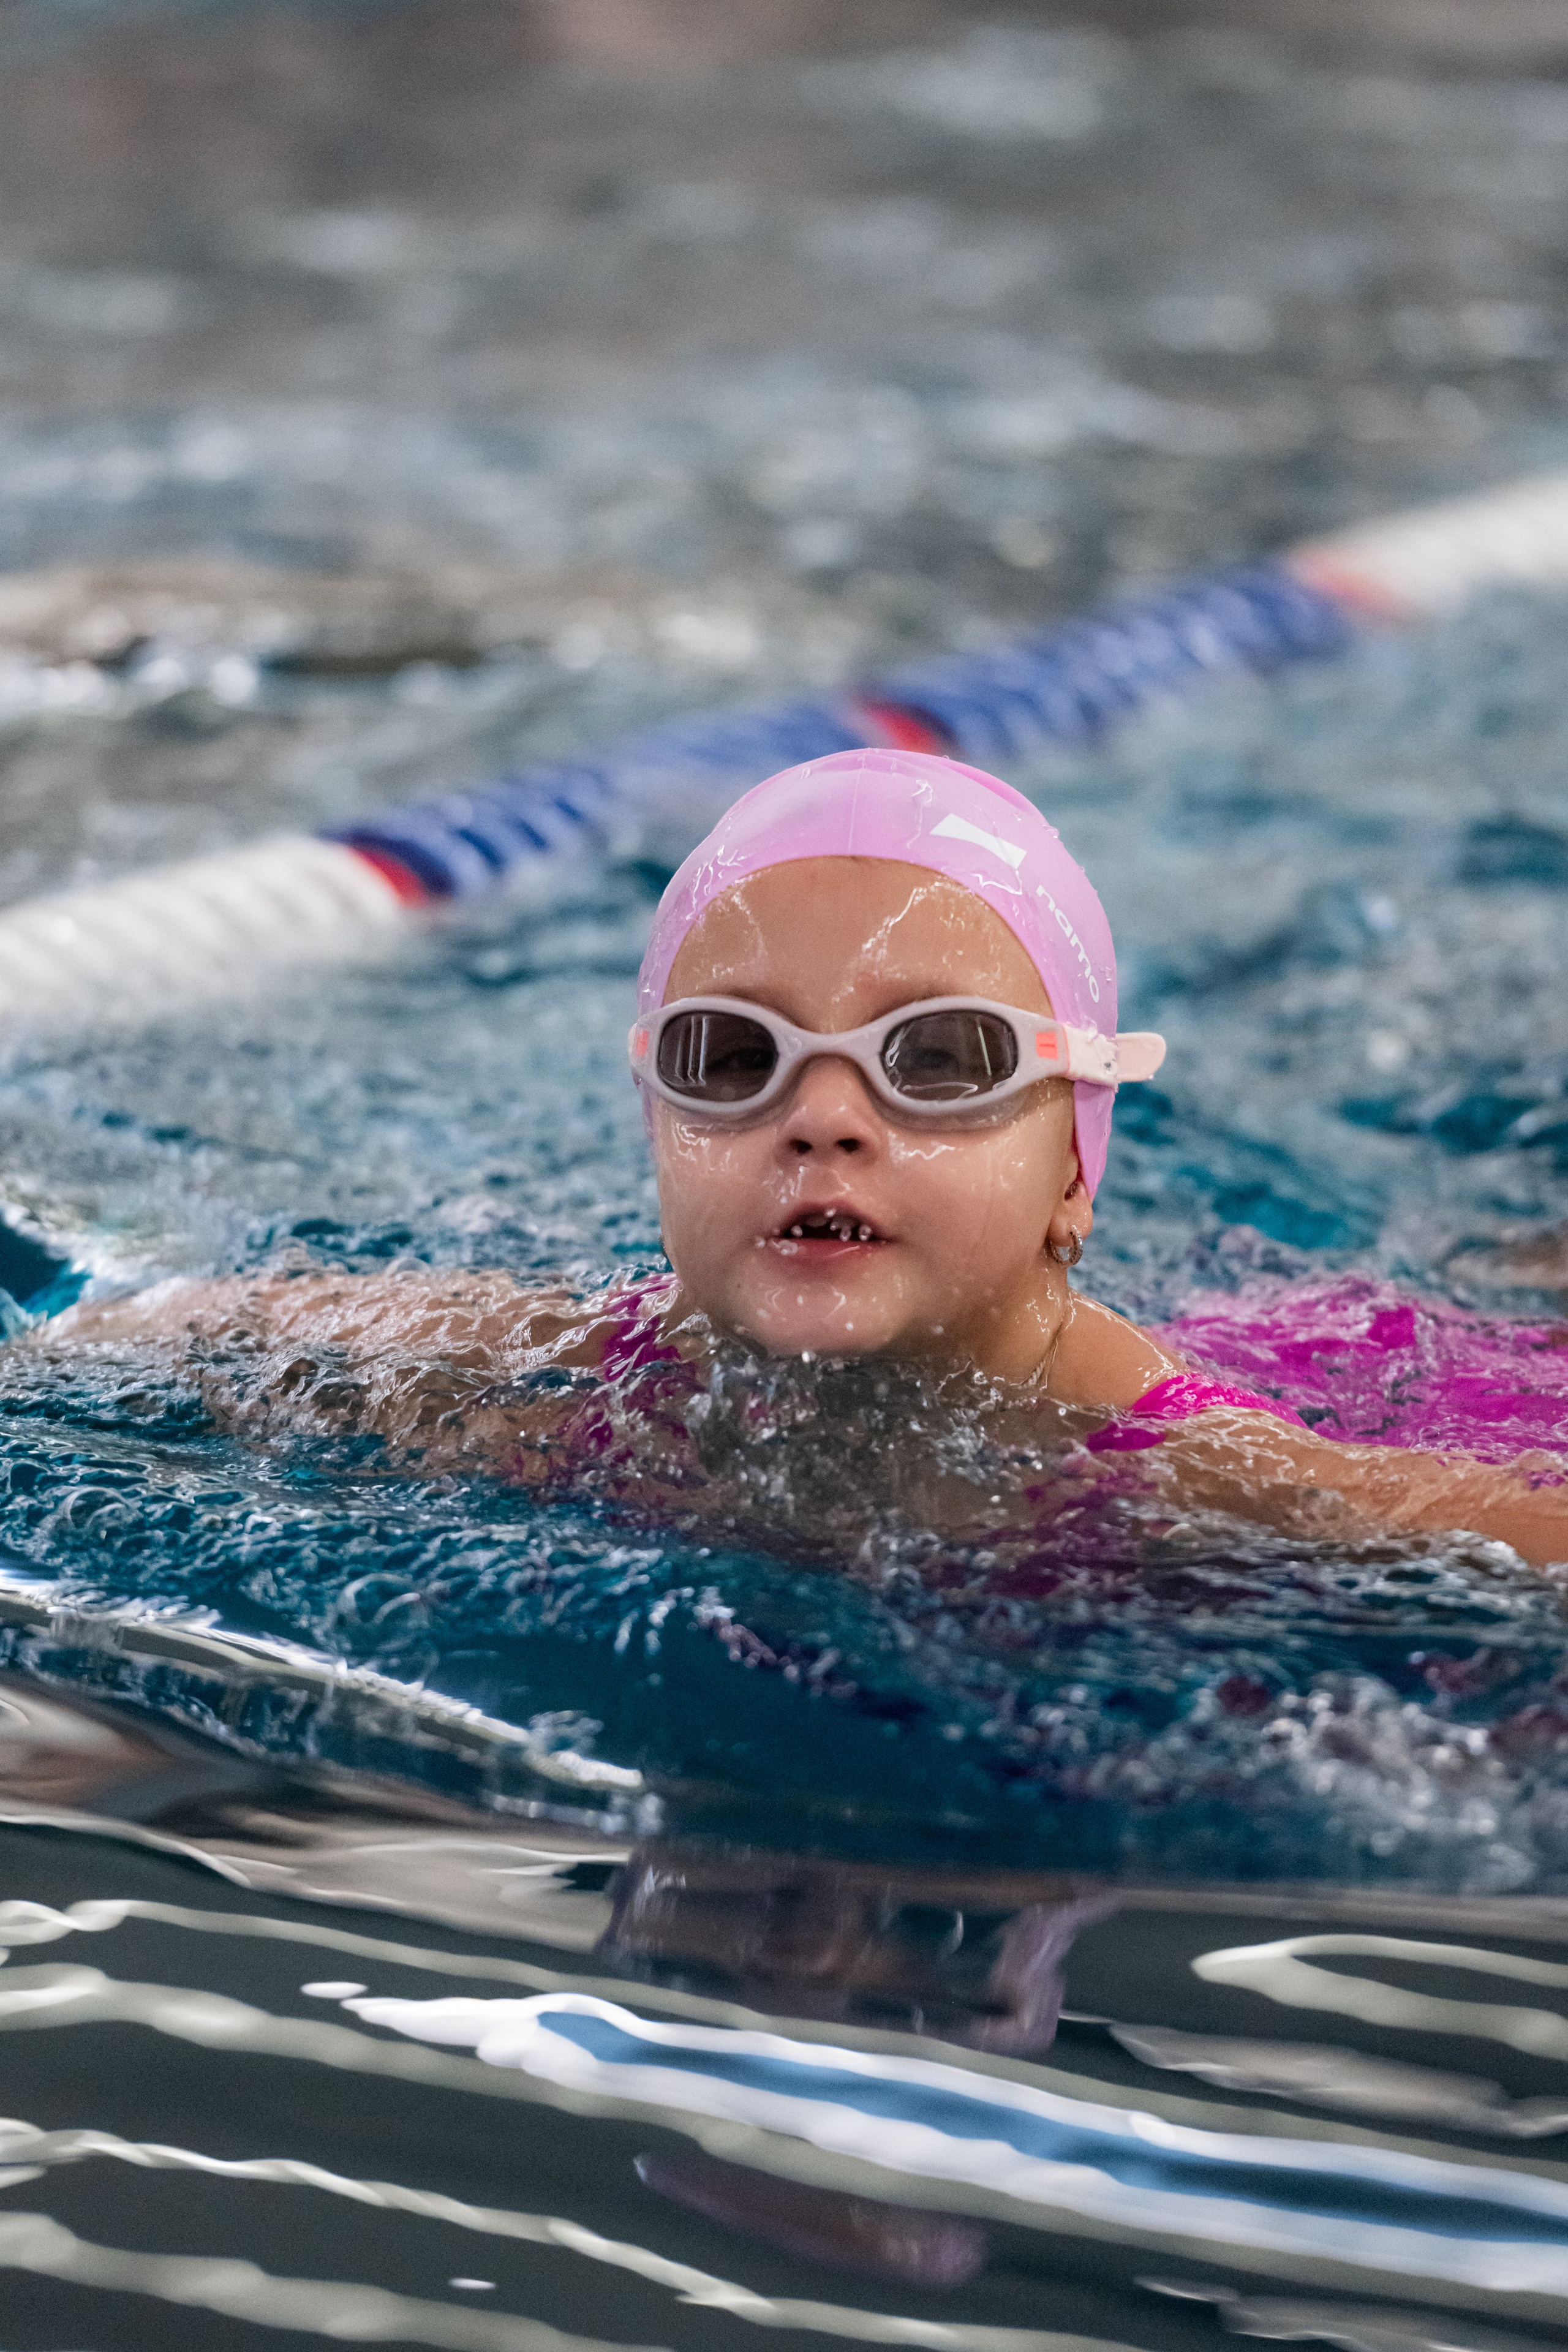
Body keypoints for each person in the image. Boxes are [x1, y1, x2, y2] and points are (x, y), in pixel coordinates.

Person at [40, 748, 1568, 1569]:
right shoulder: (559, 1374)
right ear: (657, 1133)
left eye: (941, 1060)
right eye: (730, 1058)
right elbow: (198, 1329)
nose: (822, 1118)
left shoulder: (1203, 1471)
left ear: (1073, 1176)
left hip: (1429, 1380)